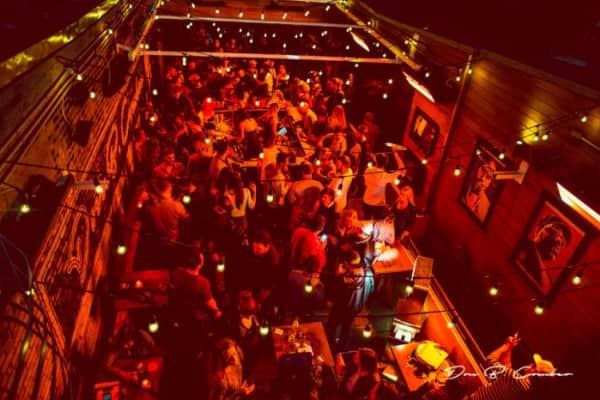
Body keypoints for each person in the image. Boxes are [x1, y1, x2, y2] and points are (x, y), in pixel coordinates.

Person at [461, 334, 555, 399]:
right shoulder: (523, 385)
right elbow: (507, 366)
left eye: (533, 364)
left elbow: (490, 360)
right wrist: (510, 349)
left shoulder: (517, 379)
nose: (530, 364)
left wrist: (506, 346)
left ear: (534, 372)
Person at [326, 251, 374, 352]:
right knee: (346, 329)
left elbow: (336, 291)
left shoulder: (345, 279)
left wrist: (338, 274)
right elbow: (371, 290)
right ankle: (341, 350)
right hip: (355, 308)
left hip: (341, 308)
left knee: (331, 326)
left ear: (347, 264)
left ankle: (329, 347)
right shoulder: (368, 274)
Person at [515, 215, 572, 292]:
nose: (558, 241)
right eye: (554, 231)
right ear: (539, 231)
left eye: (563, 241)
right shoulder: (520, 246)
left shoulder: (548, 282)